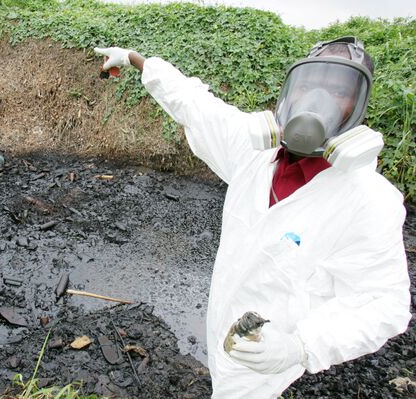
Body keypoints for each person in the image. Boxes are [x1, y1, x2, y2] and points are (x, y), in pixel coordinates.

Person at [94, 37, 411, 398]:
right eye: (309, 85)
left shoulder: (367, 199)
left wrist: (300, 346)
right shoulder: (253, 154)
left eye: (338, 90)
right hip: (220, 324)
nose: (317, 99)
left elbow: (384, 304)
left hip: (267, 357)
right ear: (291, 90)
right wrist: (134, 59)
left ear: (358, 106)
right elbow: (194, 103)